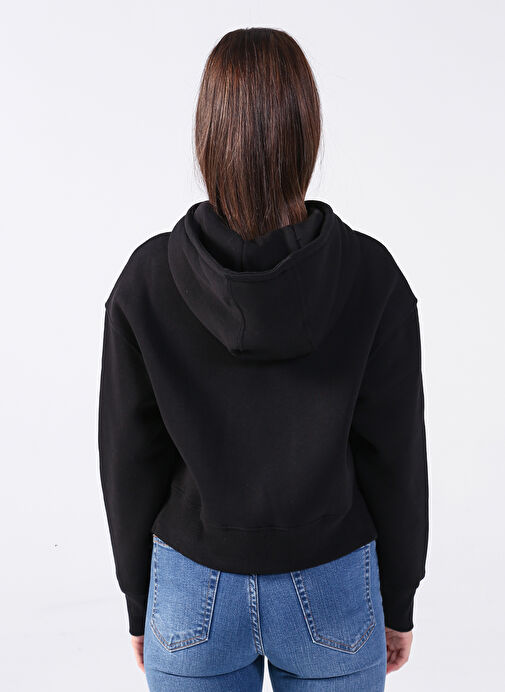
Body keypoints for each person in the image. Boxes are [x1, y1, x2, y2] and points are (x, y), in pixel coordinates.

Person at [98, 27, 429, 691]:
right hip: (334, 584)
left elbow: (129, 460)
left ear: (208, 135)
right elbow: (394, 454)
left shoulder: (147, 281)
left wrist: (140, 601)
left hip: (190, 590)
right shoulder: (371, 275)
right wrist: (397, 600)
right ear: (306, 133)